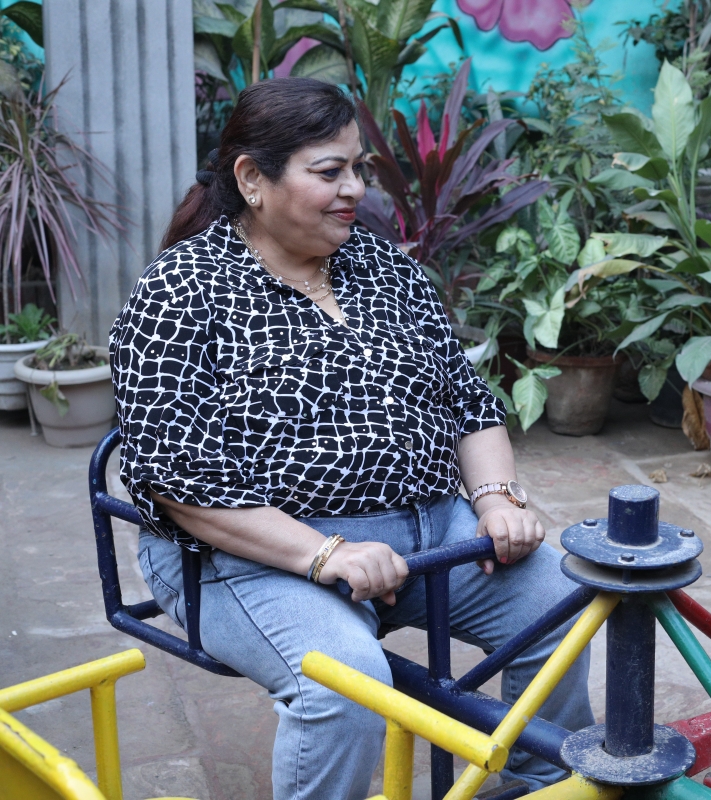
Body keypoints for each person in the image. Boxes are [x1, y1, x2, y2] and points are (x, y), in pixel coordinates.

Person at [110, 78, 592, 800]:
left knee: (564, 601)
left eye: (358, 169)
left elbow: (467, 403)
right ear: (252, 179)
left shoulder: (387, 270)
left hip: (430, 536)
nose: (354, 190)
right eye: (329, 172)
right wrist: (325, 552)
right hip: (248, 557)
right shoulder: (180, 293)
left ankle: (530, 785)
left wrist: (494, 498)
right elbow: (180, 485)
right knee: (345, 686)